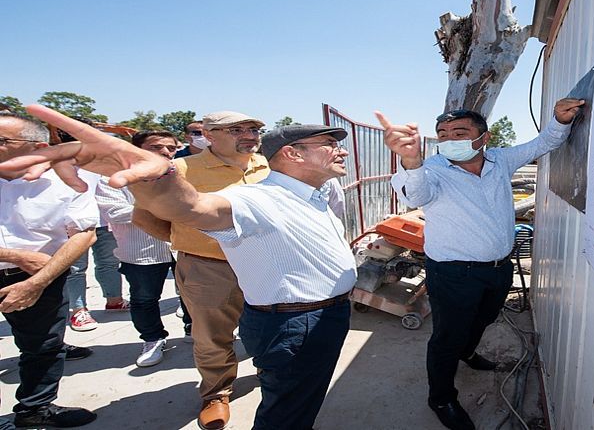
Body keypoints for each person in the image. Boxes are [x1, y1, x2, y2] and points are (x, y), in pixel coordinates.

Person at [0, 106, 358, 430]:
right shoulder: (254, 194)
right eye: (329, 143)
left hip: (311, 309)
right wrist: (155, 179)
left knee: (293, 393)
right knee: (276, 402)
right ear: (293, 154)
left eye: (253, 130)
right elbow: (192, 207)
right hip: (284, 311)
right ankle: (217, 394)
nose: (341, 150)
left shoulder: (309, 190)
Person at [375, 98, 583, 430]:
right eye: (442, 134)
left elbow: (544, 143)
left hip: (499, 269)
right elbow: (415, 197)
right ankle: (441, 398)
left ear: (483, 138)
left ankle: (468, 353)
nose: (449, 140)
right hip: (453, 274)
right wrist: (411, 161)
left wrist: (559, 119)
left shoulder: (501, 160)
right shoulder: (429, 171)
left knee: (483, 319)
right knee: (447, 336)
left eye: (459, 132)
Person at [133, 111, 269, 430]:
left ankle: (270, 374)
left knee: (268, 326)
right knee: (211, 335)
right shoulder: (181, 169)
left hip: (265, 263)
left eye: (254, 128)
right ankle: (216, 393)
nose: (249, 134)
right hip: (209, 268)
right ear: (209, 135)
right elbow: (143, 216)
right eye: (236, 129)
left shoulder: (267, 165)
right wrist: (186, 239)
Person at [0, 111, 99, 428]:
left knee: (43, 347)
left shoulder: (69, 182)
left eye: (2, 140)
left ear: (37, 146)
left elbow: (84, 233)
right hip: (28, 266)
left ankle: (34, 410)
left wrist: (36, 282)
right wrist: (14, 255)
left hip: (40, 278)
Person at [95, 130, 183, 368]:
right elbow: (114, 211)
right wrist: (162, 208)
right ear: (136, 149)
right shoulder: (113, 178)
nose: (165, 152)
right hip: (141, 252)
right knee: (145, 299)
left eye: (171, 148)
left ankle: (194, 331)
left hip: (182, 247)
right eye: (156, 147)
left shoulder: (182, 173)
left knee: (191, 294)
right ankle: (153, 339)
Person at [58, 119, 128, 332]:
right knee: (76, 268)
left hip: (103, 220)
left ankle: (114, 300)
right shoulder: (56, 159)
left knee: (108, 263)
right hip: (72, 224)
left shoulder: (102, 157)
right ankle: (78, 310)